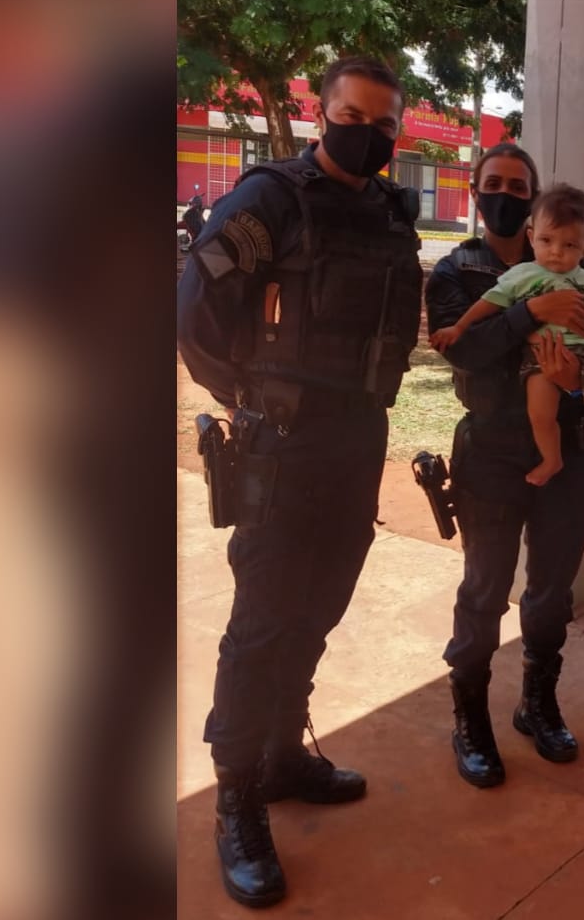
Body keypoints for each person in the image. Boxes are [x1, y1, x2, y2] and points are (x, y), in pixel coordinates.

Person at [177, 56, 421, 908]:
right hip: (280, 442)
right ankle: (237, 792)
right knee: (264, 619)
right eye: (355, 115)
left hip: (357, 439)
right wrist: (246, 398)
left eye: (385, 123)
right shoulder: (268, 199)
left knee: (320, 603)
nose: (370, 134)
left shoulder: (389, 212)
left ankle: (282, 753)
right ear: (324, 114)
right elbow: (197, 314)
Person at [425, 143, 584, 790]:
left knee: (551, 589)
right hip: (492, 454)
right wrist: (528, 313)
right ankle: (470, 717)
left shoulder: (580, 261)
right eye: (492, 184)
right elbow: (465, 353)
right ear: (477, 192)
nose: (503, 194)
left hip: (565, 447)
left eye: (516, 185)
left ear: (534, 204)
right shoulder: (455, 270)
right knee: (484, 591)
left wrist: (579, 389)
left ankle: (537, 702)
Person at [429, 183, 584, 485]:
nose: (557, 252)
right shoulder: (522, 275)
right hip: (538, 354)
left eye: (569, 245)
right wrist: (459, 326)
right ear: (532, 237)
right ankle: (552, 459)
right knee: (540, 412)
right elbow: (489, 303)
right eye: (547, 240)